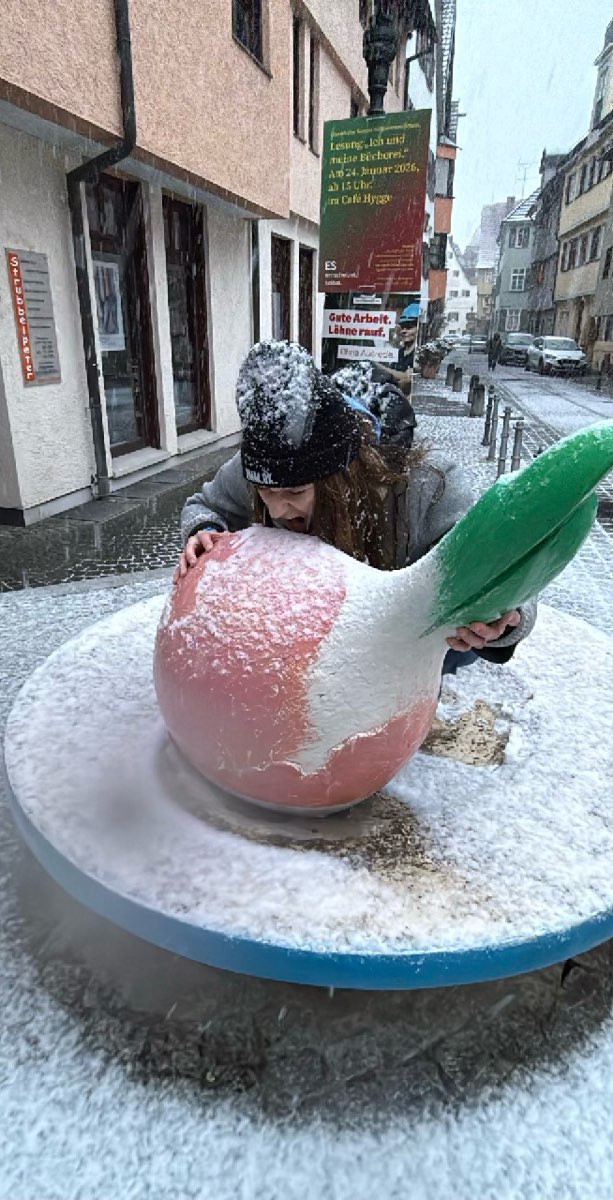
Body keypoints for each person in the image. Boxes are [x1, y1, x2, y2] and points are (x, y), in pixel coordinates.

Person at [176, 340, 534, 674]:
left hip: (402, 648)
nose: (280, 511)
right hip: (305, 649)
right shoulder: (260, 468)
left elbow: (502, 570)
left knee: (454, 651)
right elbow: (205, 505)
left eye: (296, 491)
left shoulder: (428, 485)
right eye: (266, 492)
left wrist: (504, 618)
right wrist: (204, 531)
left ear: (340, 478)